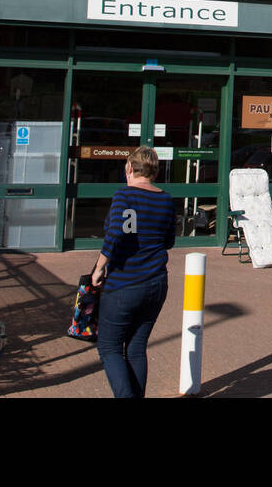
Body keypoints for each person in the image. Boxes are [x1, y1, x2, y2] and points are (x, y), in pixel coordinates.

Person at [91, 146, 175, 398]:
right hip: (156, 283)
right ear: (155, 171)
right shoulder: (166, 200)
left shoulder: (124, 195)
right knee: (137, 348)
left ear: (129, 168)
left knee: (109, 347)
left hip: (124, 284)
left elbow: (115, 232)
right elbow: (169, 240)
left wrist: (99, 268)